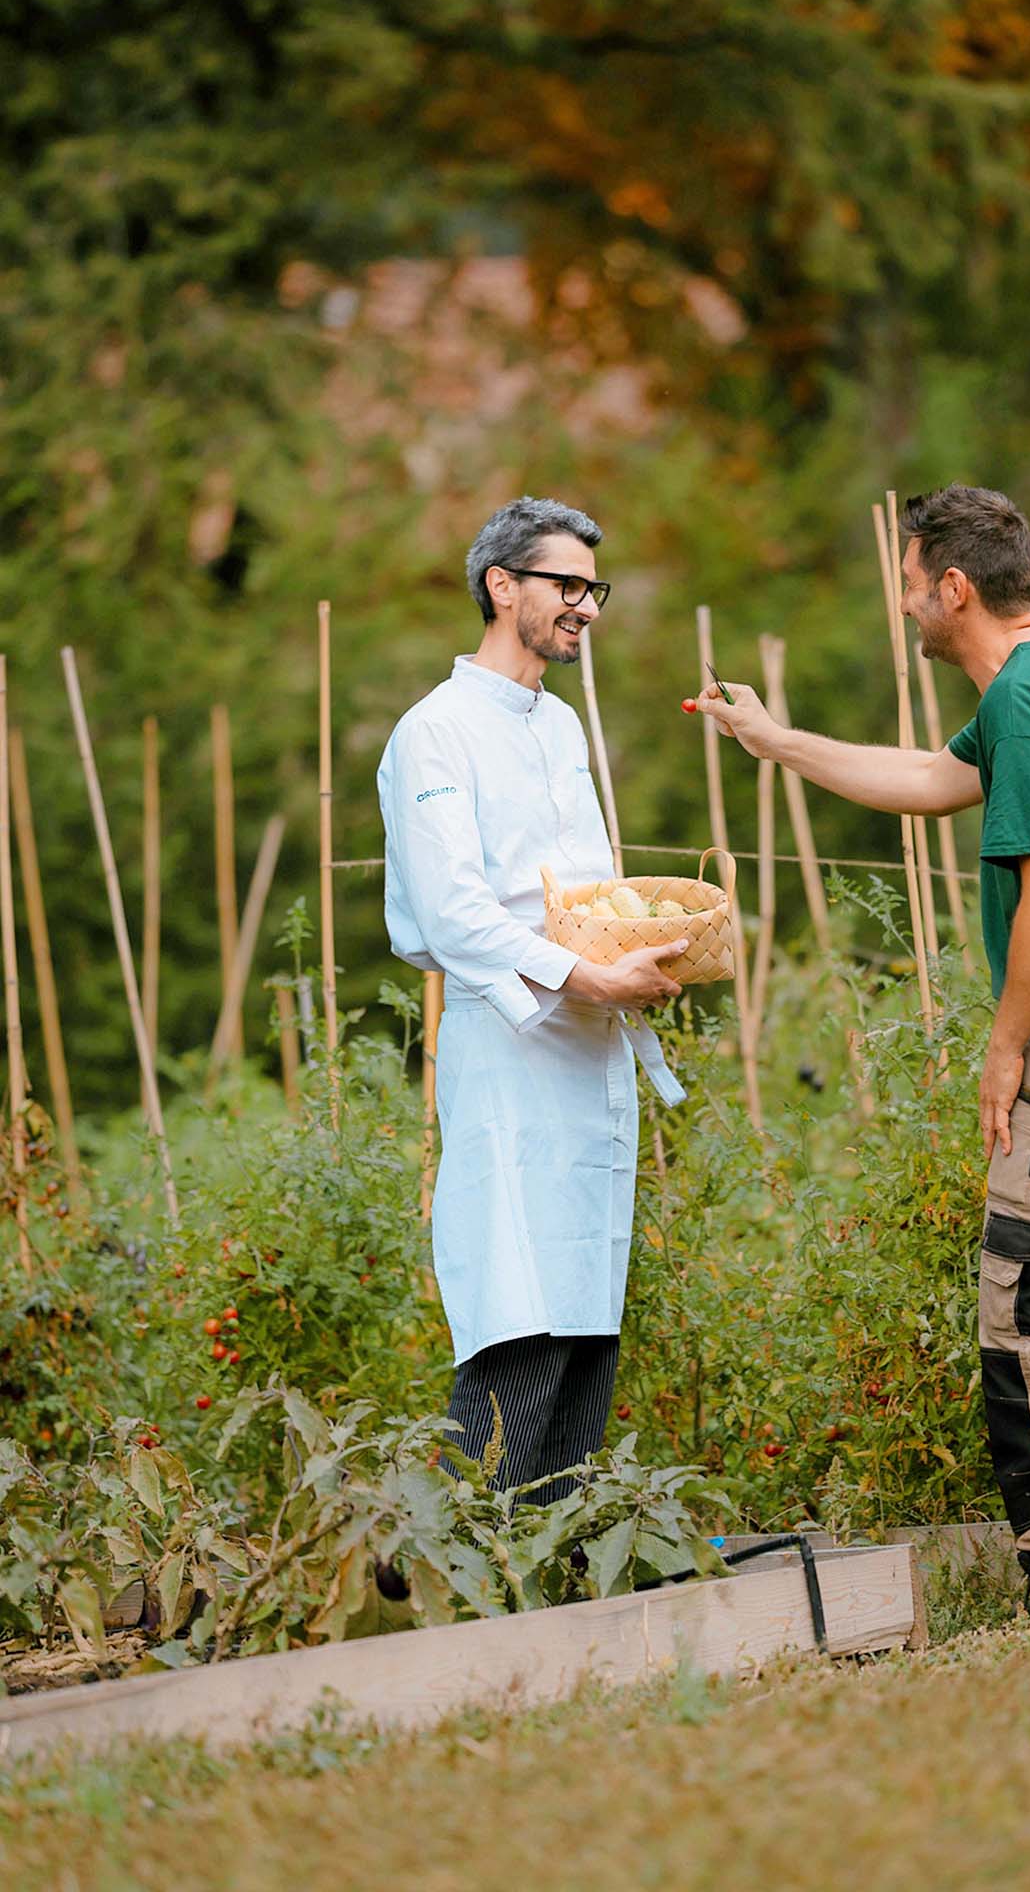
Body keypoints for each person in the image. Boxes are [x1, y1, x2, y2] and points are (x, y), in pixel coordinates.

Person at [690, 483, 1030, 1620]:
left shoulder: (1026, 700)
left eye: (910, 588)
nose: (904, 608)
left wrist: (1001, 1046)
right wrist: (770, 737)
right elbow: (932, 780)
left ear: (953, 588)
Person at [378, 496, 688, 1503]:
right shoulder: (434, 735)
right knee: (519, 1304)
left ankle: (550, 1564)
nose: (585, 607)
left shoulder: (557, 727)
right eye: (566, 584)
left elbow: (581, 890)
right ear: (499, 586)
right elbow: (453, 909)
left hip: (592, 1040)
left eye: (591, 589)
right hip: (511, 1039)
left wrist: (642, 946)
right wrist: (581, 975)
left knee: (586, 1305)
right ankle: (431, 1557)